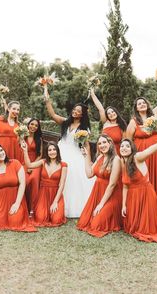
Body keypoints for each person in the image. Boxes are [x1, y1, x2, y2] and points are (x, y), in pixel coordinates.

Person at [43, 85, 95, 217]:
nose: (75, 112)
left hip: (75, 155)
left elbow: (86, 146)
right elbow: (53, 114)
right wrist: (47, 99)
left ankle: (72, 207)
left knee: (75, 179)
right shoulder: (66, 122)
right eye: (74, 110)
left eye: (78, 111)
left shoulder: (85, 129)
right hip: (61, 152)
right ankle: (54, 203)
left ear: (82, 114)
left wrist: (87, 159)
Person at [126, 76, 157, 217]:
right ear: (136, 108)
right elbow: (128, 142)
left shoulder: (155, 115)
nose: (141, 104)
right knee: (146, 178)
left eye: (143, 102)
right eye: (138, 104)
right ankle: (147, 207)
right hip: (143, 155)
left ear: (147, 104)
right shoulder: (133, 122)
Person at [77, 134, 122, 237]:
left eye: (104, 142)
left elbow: (112, 184)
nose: (102, 145)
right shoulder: (100, 157)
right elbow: (89, 174)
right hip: (97, 193)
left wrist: (101, 204)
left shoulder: (116, 160)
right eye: (99, 143)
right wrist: (85, 156)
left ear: (110, 143)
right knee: (83, 222)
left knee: (96, 225)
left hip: (111, 196)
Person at [22, 141, 67, 227]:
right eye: (49, 150)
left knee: (56, 220)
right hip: (43, 195)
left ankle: (55, 209)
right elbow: (29, 165)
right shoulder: (43, 162)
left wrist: (55, 202)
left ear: (57, 151)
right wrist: (25, 151)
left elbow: (61, 185)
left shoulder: (63, 165)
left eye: (54, 149)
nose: (52, 152)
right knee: (40, 218)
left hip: (55, 195)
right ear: (47, 152)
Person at [90, 88, 127, 156]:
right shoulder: (106, 123)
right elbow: (100, 108)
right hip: (104, 152)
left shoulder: (121, 125)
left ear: (116, 112)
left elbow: (124, 142)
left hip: (117, 153)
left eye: (112, 112)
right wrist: (92, 94)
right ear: (107, 116)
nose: (111, 114)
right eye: (109, 113)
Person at [23, 118, 43, 217]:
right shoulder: (23, 137)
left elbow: (40, 155)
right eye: (32, 124)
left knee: (33, 179)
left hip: (36, 163)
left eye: (36, 125)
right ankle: (24, 207)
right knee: (25, 181)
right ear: (28, 125)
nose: (33, 127)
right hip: (23, 163)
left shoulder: (39, 139)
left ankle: (33, 208)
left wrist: (32, 165)